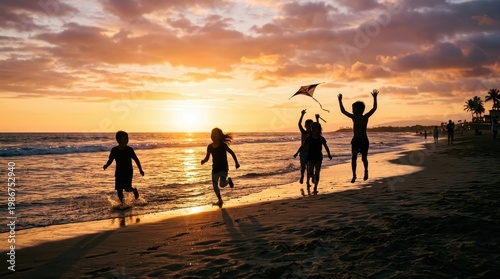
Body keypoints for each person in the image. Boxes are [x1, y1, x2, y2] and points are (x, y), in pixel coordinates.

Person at [338, 89, 378, 183]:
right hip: (356, 140)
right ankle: (354, 175)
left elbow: (374, 109)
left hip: (364, 140)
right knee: (354, 157)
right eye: (352, 108)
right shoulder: (353, 117)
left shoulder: (365, 117)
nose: (352, 110)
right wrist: (340, 101)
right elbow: (343, 111)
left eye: (354, 108)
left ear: (360, 110)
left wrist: (375, 98)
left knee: (364, 158)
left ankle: (366, 171)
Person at [201, 128, 240, 208]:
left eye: (216, 134)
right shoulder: (210, 147)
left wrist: (236, 162)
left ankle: (228, 180)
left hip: (223, 168)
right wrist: (204, 161)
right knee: (215, 186)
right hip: (215, 169)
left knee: (222, 184)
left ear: (219, 136)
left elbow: (232, 153)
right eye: (212, 134)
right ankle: (220, 200)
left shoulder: (223, 145)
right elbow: (207, 157)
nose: (214, 136)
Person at [103, 130, 144, 204]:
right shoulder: (114, 150)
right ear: (118, 140)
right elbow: (110, 160)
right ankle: (123, 203)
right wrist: (106, 165)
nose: (127, 140)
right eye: (124, 138)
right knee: (119, 189)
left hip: (128, 172)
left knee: (127, 189)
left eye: (127, 138)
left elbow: (136, 160)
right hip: (119, 172)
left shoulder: (129, 150)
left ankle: (134, 190)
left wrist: (140, 170)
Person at [302, 122, 332, 195]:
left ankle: (315, 186)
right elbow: (303, 145)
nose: (315, 129)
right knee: (310, 172)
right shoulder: (309, 137)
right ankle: (313, 177)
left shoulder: (321, 138)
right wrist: (297, 152)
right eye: (313, 128)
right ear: (311, 129)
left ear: (319, 129)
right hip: (310, 156)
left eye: (316, 128)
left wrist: (329, 154)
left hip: (318, 156)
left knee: (317, 172)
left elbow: (326, 146)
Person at [296, 110, 320, 187]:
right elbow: (299, 124)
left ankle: (308, 182)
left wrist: (317, 119)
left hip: (310, 152)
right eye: (308, 126)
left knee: (310, 169)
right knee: (303, 167)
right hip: (303, 152)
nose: (309, 127)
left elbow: (318, 127)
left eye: (311, 126)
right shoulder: (303, 132)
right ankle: (302, 176)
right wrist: (302, 115)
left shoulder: (313, 134)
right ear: (305, 126)